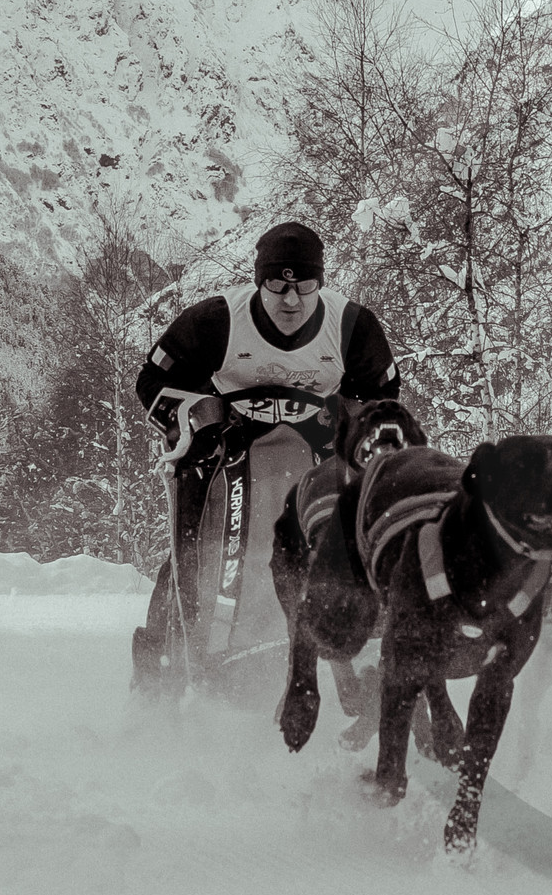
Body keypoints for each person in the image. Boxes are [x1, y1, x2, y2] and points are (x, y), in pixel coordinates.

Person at [131, 221, 400, 697]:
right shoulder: (216, 320)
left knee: (354, 540)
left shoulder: (353, 326)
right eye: (277, 284)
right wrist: (194, 421)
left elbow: (383, 406)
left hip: (315, 449)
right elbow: (151, 383)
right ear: (259, 281)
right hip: (223, 446)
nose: (291, 300)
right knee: (189, 551)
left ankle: (368, 676)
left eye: (305, 286)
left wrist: (354, 430)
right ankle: (160, 676)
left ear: (321, 282)